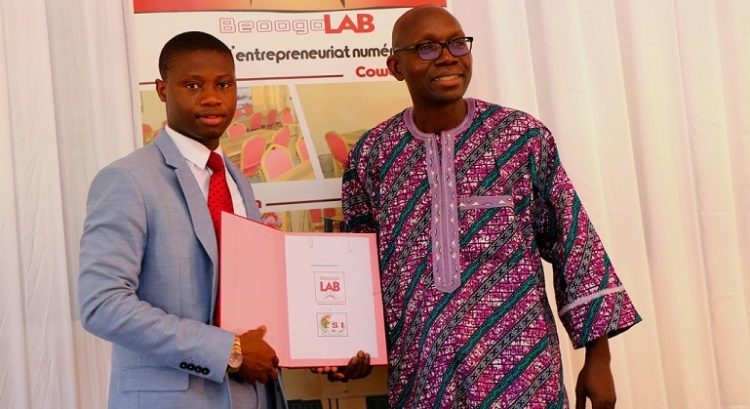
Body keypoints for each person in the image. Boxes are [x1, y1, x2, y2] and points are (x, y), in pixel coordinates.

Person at [340, 6, 642, 409]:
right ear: (396, 66)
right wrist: (346, 344)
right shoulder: (373, 155)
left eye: (456, 44)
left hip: (523, 376)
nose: (447, 57)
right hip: (422, 380)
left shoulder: (520, 138)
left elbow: (575, 245)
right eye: (426, 48)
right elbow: (356, 268)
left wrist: (598, 361)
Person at [79, 31, 286, 409]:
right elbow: (102, 304)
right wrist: (229, 351)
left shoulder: (236, 178)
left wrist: (321, 347)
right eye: (192, 85)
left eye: (223, 84)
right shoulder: (127, 179)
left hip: (253, 395)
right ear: (162, 90)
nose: (211, 97)